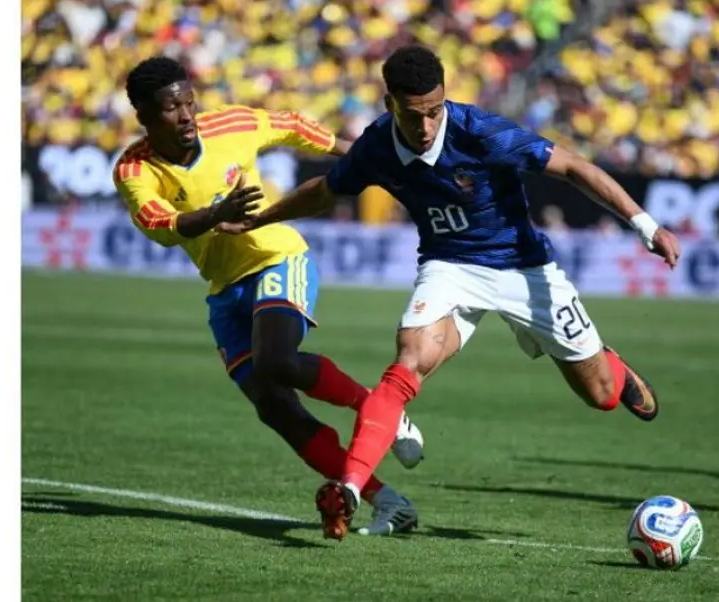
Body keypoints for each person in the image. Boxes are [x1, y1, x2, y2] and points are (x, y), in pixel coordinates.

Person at [224, 44, 681, 540]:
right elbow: (326, 190)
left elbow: (573, 167)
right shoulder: (377, 145)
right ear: (389, 104)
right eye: (412, 114)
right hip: (448, 266)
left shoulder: (480, 132)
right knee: (408, 358)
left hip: (523, 268)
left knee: (602, 395)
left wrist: (645, 225)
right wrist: (261, 216)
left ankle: (609, 363)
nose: (425, 127)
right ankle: (351, 490)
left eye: (434, 112)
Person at [112, 56, 426, 537]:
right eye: (172, 109)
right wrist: (217, 214)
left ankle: (376, 406)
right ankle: (388, 500)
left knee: (276, 360)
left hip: (277, 258)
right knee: (274, 406)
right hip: (224, 287)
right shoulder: (134, 168)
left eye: (189, 103)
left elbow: (296, 128)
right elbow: (162, 225)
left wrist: (364, 157)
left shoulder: (231, 124)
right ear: (145, 117)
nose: (186, 115)